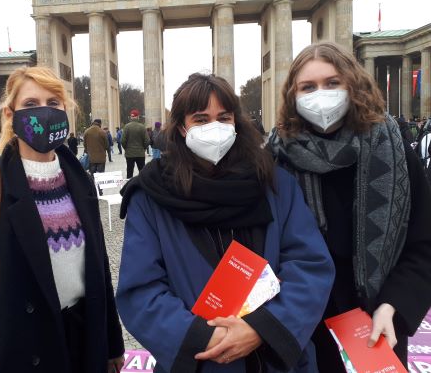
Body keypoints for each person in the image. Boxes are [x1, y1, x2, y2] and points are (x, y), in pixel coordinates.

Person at [116, 73, 335, 373]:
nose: (214, 128)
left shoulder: (274, 184)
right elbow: (141, 291)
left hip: (275, 361)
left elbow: (309, 265)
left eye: (224, 117)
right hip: (203, 362)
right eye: (201, 119)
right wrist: (206, 337)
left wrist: (262, 329)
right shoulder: (150, 197)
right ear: (181, 127)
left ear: (236, 122)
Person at [0, 66, 124, 373]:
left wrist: (111, 343)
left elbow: (99, 267)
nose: (44, 111)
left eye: (53, 102)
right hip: (20, 346)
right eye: (30, 105)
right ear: (9, 114)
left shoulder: (79, 180)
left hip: (83, 339)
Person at [268, 41, 431, 371]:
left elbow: (424, 241)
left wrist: (395, 305)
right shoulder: (275, 158)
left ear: (352, 85)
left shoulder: (394, 149)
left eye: (332, 83)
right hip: (301, 323)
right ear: (293, 96)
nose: (321, 94)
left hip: (377, 320)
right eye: (308, 87)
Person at [121, 110, 149, 178]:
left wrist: (126, 148)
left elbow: (123, 141)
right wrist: (143, 148)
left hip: (129, 154)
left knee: (129, 171)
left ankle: (129, 186)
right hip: (140, 153)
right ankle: (142, 186)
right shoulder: (142, 127)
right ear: (138, 117)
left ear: (131, 117)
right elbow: (147, 141)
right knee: (142, 171)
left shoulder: (126, 127)